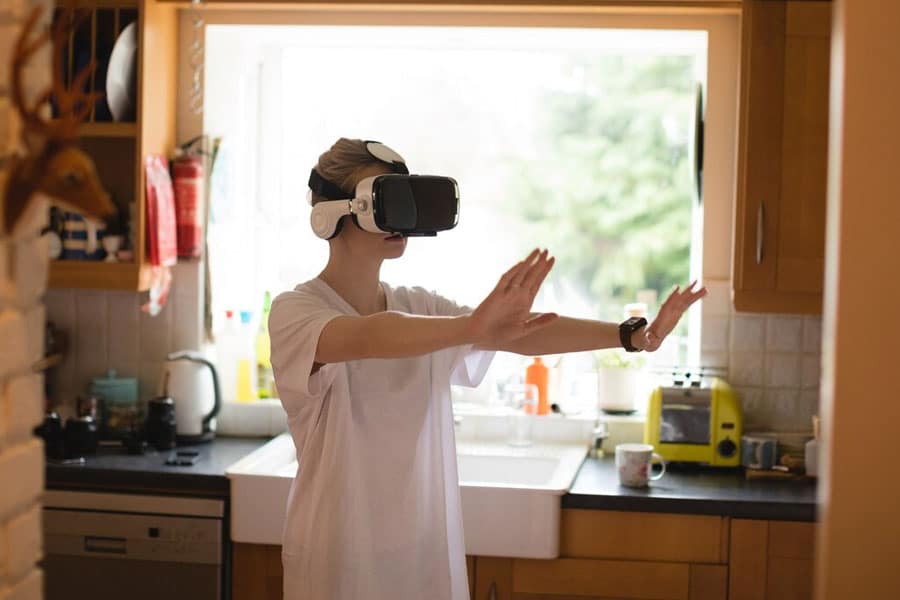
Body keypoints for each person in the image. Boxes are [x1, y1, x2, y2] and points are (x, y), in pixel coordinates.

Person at [269, 137, 706, 600]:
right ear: (332, 215)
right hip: (338, 556)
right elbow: (367, 338)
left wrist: (633, 336)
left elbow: (519, 333)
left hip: (418, 550)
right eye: (386, 201)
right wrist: (472, 327)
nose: (402, 219)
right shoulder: (296, 311)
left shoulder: (419, 306)